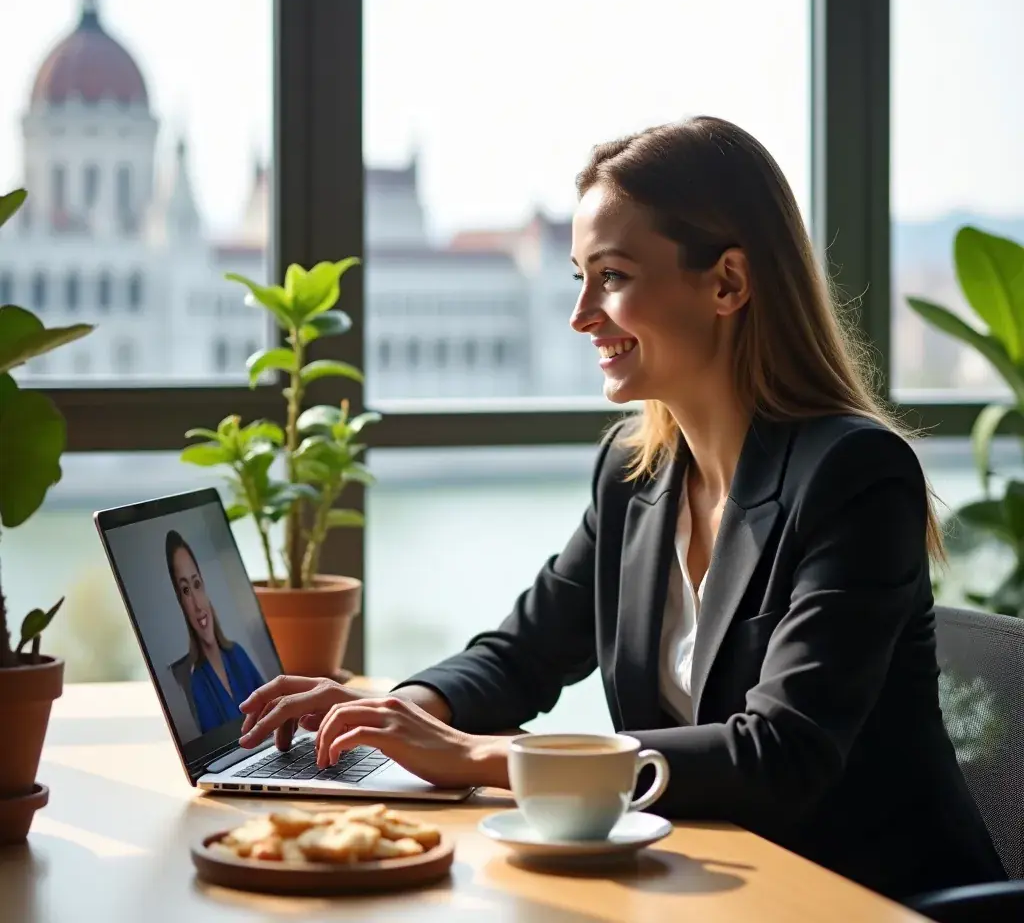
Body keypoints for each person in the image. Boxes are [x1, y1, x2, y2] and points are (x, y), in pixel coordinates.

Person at [236, 117, 1006, 899]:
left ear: (728, 284)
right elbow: (521, 656)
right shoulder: (634, 475)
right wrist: (391, 715)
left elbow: (782, 753)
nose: (580, 315)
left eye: (611, 277)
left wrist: (479, 758)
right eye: (578, 277)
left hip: (864, 901)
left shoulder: (854, 475)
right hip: (704, 884)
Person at [165, 529, 265, 733]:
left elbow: (274, 709)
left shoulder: (237, 654)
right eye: (185, 591)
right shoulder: (193, 683)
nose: (197, 604)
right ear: (179, 602)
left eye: (196, 584)